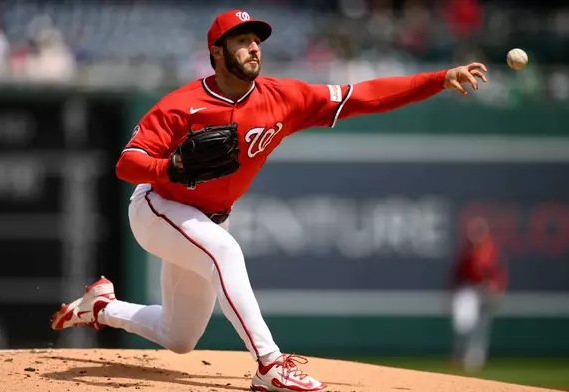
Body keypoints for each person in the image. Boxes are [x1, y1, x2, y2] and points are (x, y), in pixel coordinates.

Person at [51, 9, 488, 392]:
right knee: (224, 251)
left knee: (180, 336)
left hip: (206, 220)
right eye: (242, 41)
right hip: (156, 208)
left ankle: (101, 307)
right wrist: (171, 169)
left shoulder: (284, 98)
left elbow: (361, 96)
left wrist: (437, 80)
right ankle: (270, 365)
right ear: (217, 53)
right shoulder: (181, 106)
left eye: (257, 41)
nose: (254, 48)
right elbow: (127, 163)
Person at [449, 217, 508, 373]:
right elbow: (457, 274)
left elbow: (497, 274)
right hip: (468, 291)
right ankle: (460, 355)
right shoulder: (466, 252)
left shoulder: (490, 251)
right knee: (464, 324)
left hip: (484, 290)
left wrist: (496, 288)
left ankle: (475, 357)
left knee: (481, 325)